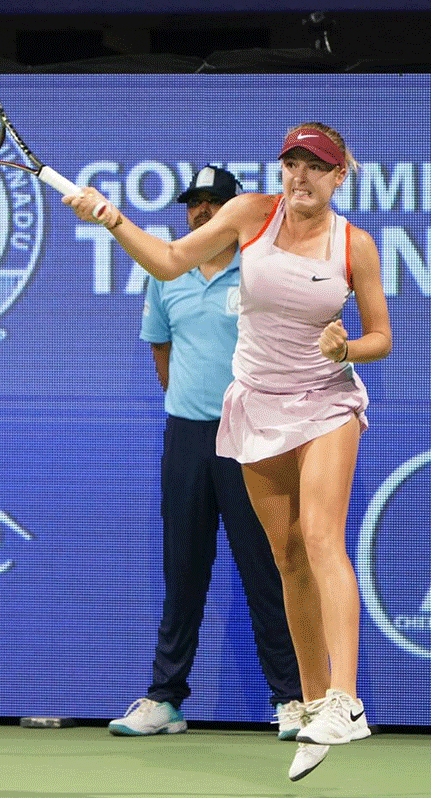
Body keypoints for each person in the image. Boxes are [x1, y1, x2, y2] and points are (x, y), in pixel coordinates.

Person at [67, 124, 392, 782]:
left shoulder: (354, 245)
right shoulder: (249, 214)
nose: (301, 177)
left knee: (322, 536)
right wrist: (110, 217)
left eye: (316, 167)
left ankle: (346, 699)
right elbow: (166, 261)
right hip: (257, 404)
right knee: (287, 555)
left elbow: (381, 333)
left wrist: (347, 349)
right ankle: (307, 704)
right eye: (292, 164)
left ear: (339, 177)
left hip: (326, 400)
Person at [108, 165, 304, 744]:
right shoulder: (165, 274)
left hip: (254, 438)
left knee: (265, 571)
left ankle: (292, 700)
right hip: (188, 438)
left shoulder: (263, 269)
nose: (202, 212)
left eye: (215, 203)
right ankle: (166, 699)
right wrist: (193, 403)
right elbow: (162, 354)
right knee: (183, 570)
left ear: (236, 211)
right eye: (195, 204)